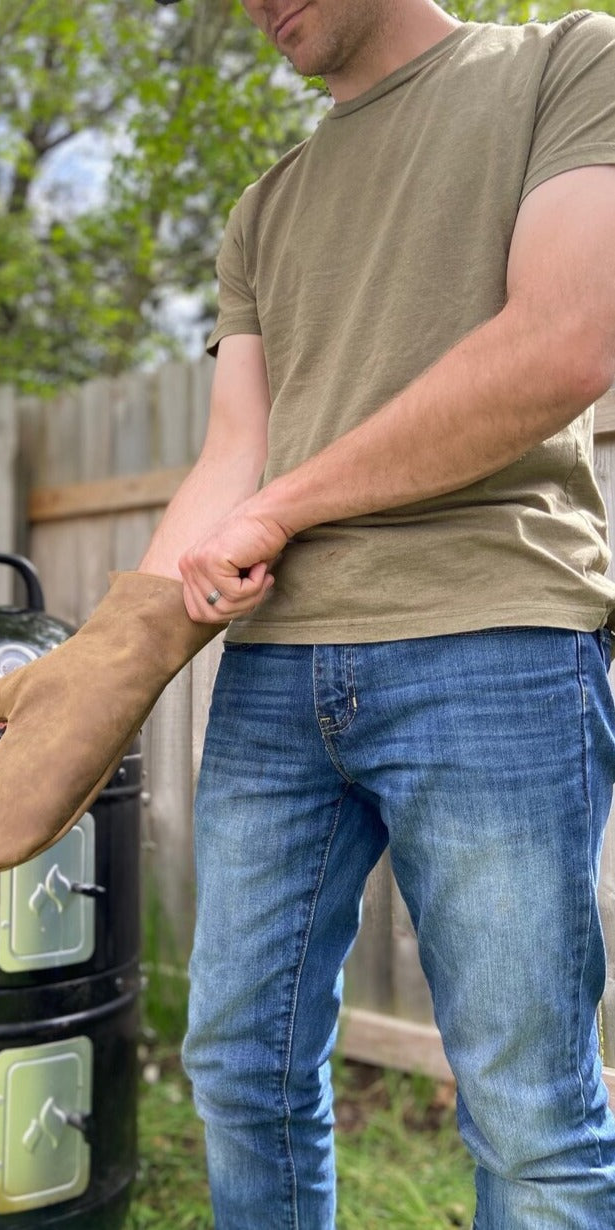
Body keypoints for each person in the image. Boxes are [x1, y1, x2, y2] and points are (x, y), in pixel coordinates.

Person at [133, 1, 615, 1226]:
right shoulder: (265, 207)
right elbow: (230, 455)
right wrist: (104, 662)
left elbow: (566, 339)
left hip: (491, 636)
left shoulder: (568, 62)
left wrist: (278, 508)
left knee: (526, 1116)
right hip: (271, 673)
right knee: (237, 1070)